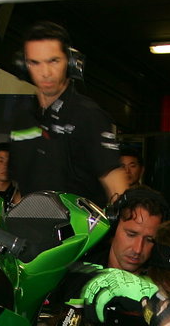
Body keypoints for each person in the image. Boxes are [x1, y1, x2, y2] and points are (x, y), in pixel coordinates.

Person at [8, 21, 125, 206]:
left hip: (81, 232)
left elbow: (115, 181)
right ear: (24, 65)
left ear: (70, 62)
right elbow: (21, 188)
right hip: (31, 229)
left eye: (53, 61)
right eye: (35, 63)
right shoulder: (22, 119)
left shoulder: (89, 116)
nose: (45, 72)